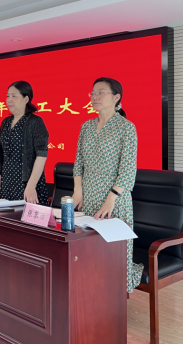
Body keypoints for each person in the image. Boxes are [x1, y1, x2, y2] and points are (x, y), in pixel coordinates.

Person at [72, 77, 143, 293]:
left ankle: (114, 300)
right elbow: (79, 162)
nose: (95, 97)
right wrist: (77, 191)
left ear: (116, 97)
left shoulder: (126, 128)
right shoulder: (86, 126)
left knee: (113, 253)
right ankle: (90, 297)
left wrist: (111, 198)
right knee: (88, 250)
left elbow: (128, 170)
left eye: (101, 92)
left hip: (114, 199)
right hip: (88, 196)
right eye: (93, 93)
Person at [0, 81, 49, 205]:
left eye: (14, 96)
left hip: (27, 185)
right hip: (7, 184)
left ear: (26, 99)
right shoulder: (5, 122)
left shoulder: (35, 122)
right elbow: (0, 154)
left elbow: (41, 155)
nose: (9, 100)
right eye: (8, 96)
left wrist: (31, 185)